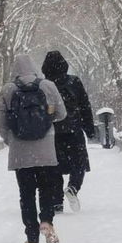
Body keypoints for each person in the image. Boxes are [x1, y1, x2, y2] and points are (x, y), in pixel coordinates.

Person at [0, 53, 66, 243]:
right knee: (46, 189)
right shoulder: (48, 86)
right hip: (45, 150)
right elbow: (62, 114)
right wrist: (46, 120)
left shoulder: (8, 90)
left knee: (26, 194)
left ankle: (32, 239)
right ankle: (46, 221)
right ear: (34, 67)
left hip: (20, 152)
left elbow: (0, 121)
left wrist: (10, 139)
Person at [41, 51, 95, 213]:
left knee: (54, 167)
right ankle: (73, 187)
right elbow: (85, 106)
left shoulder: (44, 85)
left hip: (52, 132)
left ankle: (57, 201)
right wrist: (89, 129)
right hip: (74, 130)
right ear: (64, 64)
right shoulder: (74, 82)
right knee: (78, 163)